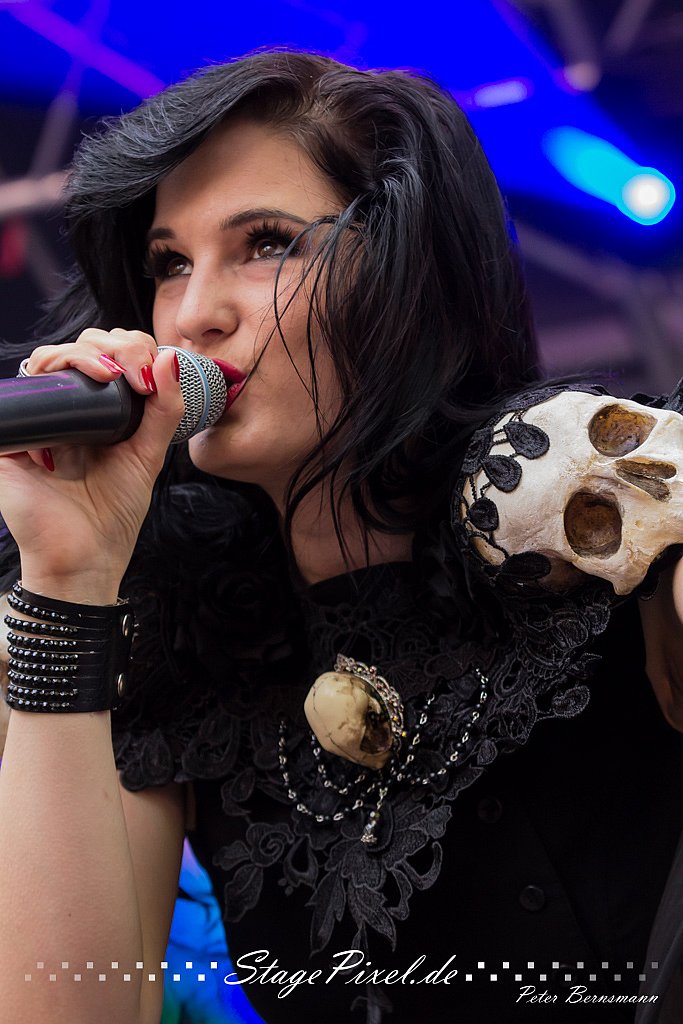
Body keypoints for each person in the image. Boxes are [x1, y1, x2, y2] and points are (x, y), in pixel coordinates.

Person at [0, 49, 682, 1024]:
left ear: (409, 271)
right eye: (168, 264)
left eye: (266, 243)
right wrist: (70, 574)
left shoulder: (591, 512)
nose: (193, 314)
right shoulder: (185, 635)